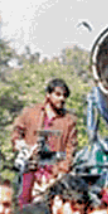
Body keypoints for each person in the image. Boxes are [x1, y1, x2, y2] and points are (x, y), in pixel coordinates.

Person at [11, 78, 79, 207]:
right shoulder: (31, 113)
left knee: (50, 209)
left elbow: (71, 149)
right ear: (48, 95)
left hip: (53, 174)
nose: (61, 99)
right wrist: (20, 144)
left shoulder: (69, 121)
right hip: (30, 169)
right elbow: (16, 131)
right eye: (58, 94)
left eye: (64, 96)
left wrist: (61, 171)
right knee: (24, 206)